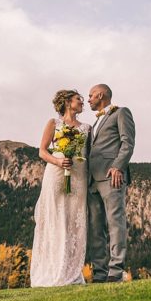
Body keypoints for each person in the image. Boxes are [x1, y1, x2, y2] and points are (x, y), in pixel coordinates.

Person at [29, 89, 90, 287]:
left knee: (74, 221)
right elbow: (42, 151)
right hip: (56, 174)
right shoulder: (53, 123)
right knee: (55, 218)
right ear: (67, 102)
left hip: (79, 176)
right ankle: (52, 270)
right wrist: (57, 161)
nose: (82, 102)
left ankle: (71, 271)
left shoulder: (87, 128)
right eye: (78, 99)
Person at [86, 84, 135, 283]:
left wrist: (118, 167)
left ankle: (116, 270)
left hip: (112, 177)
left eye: (91, 95)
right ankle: (99, 273)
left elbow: (127, 143)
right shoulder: (93, 124)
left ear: (100, 95)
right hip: (92, 180)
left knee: (115, 223)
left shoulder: (121, 113)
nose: (88, 99)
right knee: (95, 228)